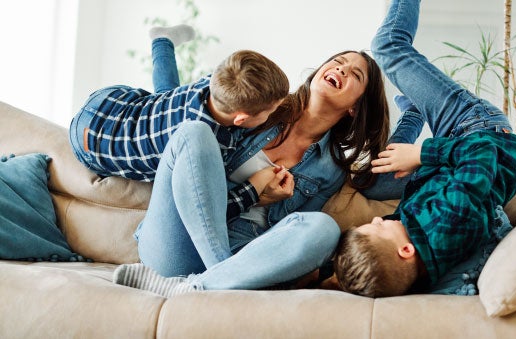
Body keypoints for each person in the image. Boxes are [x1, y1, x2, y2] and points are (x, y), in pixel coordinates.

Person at [110, 37, 392, 293]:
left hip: (243, 254)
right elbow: (183, 115)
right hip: (178, 243)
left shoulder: (332, 168)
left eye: (355, 74)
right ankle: (214, 281)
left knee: (325, 228)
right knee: (193, 132)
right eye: (338, 61)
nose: (341, 69)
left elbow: (285, 238)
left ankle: (195, 288)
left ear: (356, 106)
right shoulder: (262, 105)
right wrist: (253, 193)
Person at [332, 0, 516, 298]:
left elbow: (376, 252)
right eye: (377, 228)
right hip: (477, 130)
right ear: (405, 250)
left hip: (442, 166)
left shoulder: (417, 263)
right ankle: (419, 107)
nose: (375, 220)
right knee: (387, 46)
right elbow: (482, 152)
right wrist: (419, 155)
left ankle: (414, 112)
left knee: (369, 181)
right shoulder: (452, 217)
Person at [69, 24, 289, 181]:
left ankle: (162, 40)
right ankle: (161, 41)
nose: (272, 114)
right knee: (165, 107)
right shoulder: (209, 147)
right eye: (270, 111)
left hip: (107, 100)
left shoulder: (210, 84)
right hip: (89, 147)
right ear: (241, 118)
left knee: (167, 96)